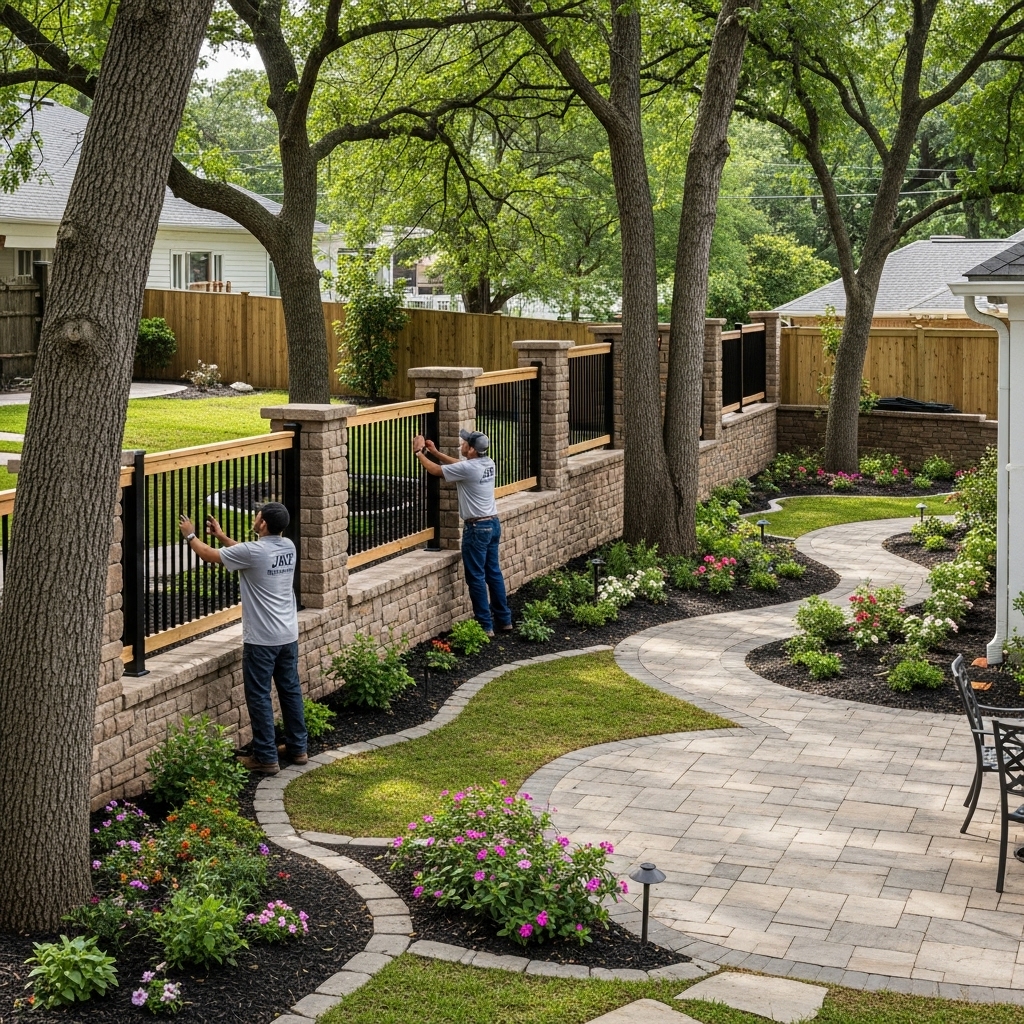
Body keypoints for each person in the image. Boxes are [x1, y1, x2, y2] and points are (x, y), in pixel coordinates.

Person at [177, 502, 307, 775]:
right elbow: (248, 554)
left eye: (257, 515)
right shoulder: (288, 547)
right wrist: (223, 537)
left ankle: (266, 758)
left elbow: (208, 555)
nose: (255, 517)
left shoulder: (254, 552)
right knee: (290, 691)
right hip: (288, 636)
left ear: (263, 524)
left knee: (259, 696)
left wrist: (191, 535)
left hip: (262, 640)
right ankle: (298, 749)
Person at [412, 428, 512, 636]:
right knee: (493, 573)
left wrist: (419, 453)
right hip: (493, 524)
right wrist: (436, 453)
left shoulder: (469, 468)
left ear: (472, 450)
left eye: (465, 443)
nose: (461, 444)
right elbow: (460, 465)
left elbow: (435, 471)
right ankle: (504, 620)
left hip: (477, 529)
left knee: (476, 576)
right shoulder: (488, 463)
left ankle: (485, 626)